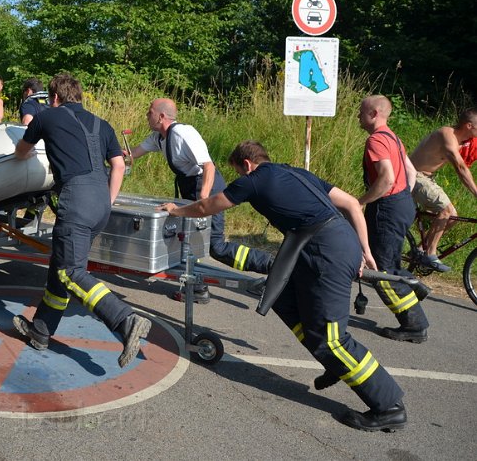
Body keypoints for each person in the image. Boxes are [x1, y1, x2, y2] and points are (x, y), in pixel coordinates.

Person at [158, 140, 407, 432]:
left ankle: (388, 406)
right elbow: (352, 203)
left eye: (239, 171)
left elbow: (206, 206)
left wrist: (176, 211)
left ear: (247, 165)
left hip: (325, 252)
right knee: (283, 299)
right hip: (330, 244)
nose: (241, 177)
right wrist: (362, 249)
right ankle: (336, 364)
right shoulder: (297, 173)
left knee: (332, 338)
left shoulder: (254, 180)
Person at [11, 73, 151, 368]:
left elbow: (22, 152)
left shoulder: (46, 117)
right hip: (101, 201)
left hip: (76, 199)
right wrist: (107, 202)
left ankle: (125, 321)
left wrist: (18, 154)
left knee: (70, 272)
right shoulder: (103, 124)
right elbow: (118, 166)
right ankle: (41, 331)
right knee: (60, 267)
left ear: (55, 98)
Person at [127, 98, 272, 274]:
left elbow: (208, 166)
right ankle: (196, 286)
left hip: (207, 185)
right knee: (189, 236)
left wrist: (203, 200)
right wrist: (116, 153)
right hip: (190, 186)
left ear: (161, 116)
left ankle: (270, 266)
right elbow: (133, 154)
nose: (146, 115)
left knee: (215, 245)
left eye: (150, 112)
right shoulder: (158, 137)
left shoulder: (183, 134)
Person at [357, 95, 429, 343]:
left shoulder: (376, 140)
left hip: (387, 208)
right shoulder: (393, 138)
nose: (358, 116)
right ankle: (415, 310)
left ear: (374, 114)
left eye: (361, 112)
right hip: (402, 204)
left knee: (381, 269)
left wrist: (362, 201)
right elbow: (410, 172)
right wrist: (401, 197)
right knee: (390, 264)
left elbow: (386, 178)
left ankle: (413, 324)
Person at [409, 107, 477, 272]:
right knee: (446, 210)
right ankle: (430, 254)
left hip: (427, 177)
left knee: (452, 217)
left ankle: (419, 251)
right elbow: (460, 168)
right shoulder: (447, 135)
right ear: (469, 125)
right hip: (413, 175)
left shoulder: (463, 141)